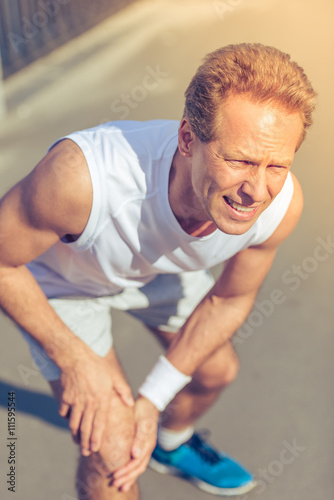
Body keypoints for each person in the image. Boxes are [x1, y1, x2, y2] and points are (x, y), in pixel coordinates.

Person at [0, 43, 316, 499]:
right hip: (65, 286)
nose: (256, 191)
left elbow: (229, 299)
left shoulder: (281, 205)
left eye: (277, 166)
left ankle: (170, 443)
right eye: (240, 161)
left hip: (155, 272)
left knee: (216, 371)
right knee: (112, 453)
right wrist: (74, 359)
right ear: (188, 139)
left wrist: (150, 401)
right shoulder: (82, 179)